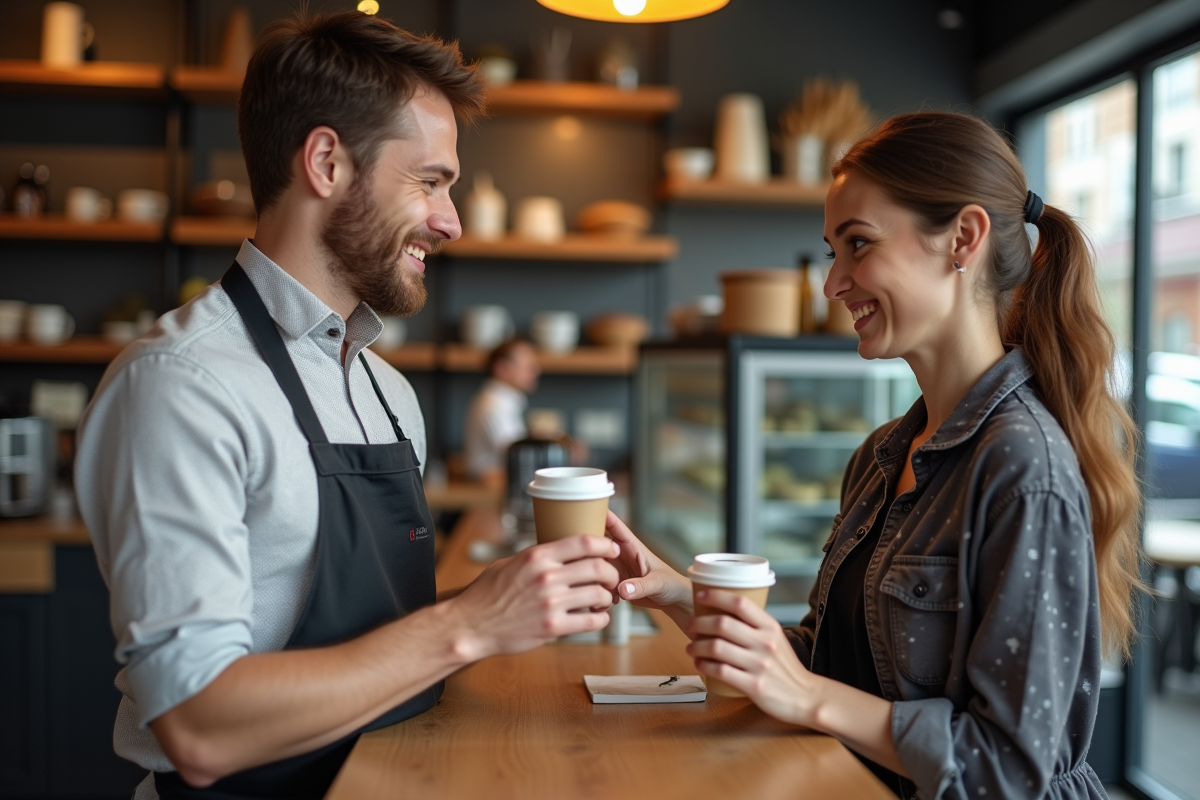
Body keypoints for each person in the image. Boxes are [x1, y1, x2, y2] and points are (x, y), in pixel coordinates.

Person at [74, 12, 620, 800]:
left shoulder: (386, 391)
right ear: (326, 162)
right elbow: (199, 725)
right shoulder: (179, 386)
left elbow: (374, 643)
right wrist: (466, 625)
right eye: (430, 181)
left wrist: (504, 600)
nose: (451, 221)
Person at [605, 111, 1143, 800]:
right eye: (834, 251)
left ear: (963, 239)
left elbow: (1006, 771)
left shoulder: (1022, 465)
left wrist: (807, 696)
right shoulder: (879, 456)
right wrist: (683, 596)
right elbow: (830, 667)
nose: (834, 283)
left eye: (858, 244)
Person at [463, 338, 540, 483]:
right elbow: (514, 454)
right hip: (489, 490)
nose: (536, 371)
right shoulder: (493, 405)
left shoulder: (503, 402)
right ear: (502, 368)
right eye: (528, 366)